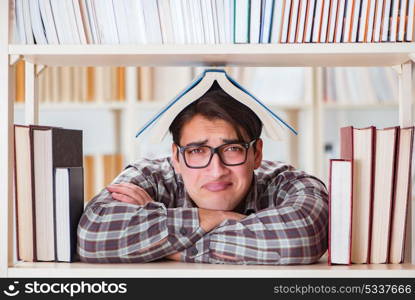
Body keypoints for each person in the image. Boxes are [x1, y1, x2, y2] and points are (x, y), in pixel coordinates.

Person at [77, 84, 328, 265]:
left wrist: (165, 246)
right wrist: (215, 217)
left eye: (232, 149)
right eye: (197, 150)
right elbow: (93, 235)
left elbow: (302, 237)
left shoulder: (288, 183)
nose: (216, 170)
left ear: (257, 153)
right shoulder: (150, 176)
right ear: (176, 157)